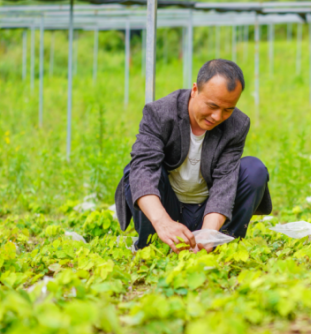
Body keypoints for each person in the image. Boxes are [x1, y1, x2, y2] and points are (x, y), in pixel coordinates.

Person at [114, 59, 272, 252]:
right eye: (212, 106)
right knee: (134, 171)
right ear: (195, 90)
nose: (217, 116)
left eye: (227, 109)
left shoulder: (237, 125)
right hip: (167, 207)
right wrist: (163, 221)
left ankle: (222, 243)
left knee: (254, 170)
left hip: (206, 211)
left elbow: (225, 181)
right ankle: (153, 242)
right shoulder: (160, 113)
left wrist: (208, 234)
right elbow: (144, 168)